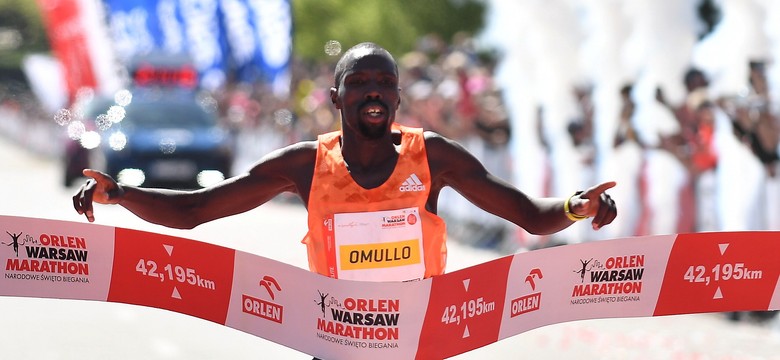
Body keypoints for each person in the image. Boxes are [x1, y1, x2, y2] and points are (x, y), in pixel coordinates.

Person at [72, 42, 617, 282]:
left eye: (385, 83)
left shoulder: (436, 157)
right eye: (359, 83)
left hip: (416, 339)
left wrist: (576, 206)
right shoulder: (304, 165)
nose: (374, 92)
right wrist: (120, 194)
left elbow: (529, 215)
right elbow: (197, 210)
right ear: (336, 99)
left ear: (398, 99)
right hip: (332, 338)